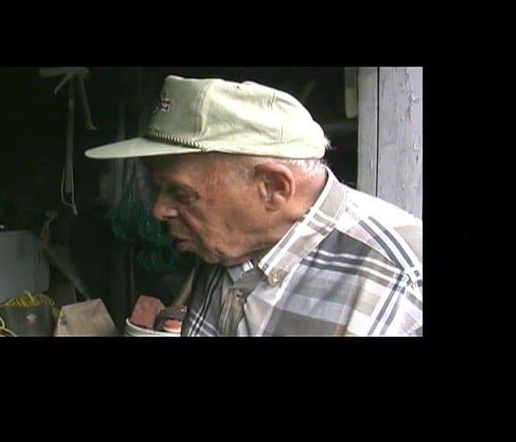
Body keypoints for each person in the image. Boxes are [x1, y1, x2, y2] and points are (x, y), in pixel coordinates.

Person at [85, 75, 422, 336]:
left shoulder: (399, 279)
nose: (159, 210)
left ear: (273, 188)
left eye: (182, 194)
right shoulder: (232, 244)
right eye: (160, 189)